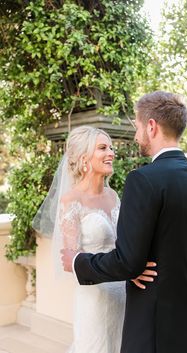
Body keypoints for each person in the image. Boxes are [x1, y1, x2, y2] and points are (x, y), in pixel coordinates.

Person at [62, 91, 187, 353]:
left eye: (138, 126)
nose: (135, 136)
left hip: (154, 326)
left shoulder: (143, 180)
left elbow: (128, 261)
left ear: (152, 127)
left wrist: (78, 261)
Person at [33, 125, 155, 353]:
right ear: (84, 158)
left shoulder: (113, 195)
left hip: (125, 293)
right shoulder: (71, 200)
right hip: (94, 297)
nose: (111, 153)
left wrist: (134, 267)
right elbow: (72, 260)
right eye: (102, 148)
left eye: (110, 147)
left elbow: (126, 244)